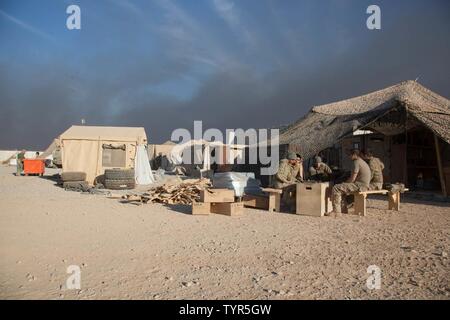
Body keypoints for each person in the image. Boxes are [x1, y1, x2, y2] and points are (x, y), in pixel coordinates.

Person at [328, 149, 371, 216]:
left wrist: (344, 183)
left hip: (360, 186)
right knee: (343, 188)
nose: (349, 157)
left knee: (336, 188)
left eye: (350, 155)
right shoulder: (362, 161)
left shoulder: (356, 162)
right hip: (363, 185)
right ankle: (343, 209)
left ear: (354, 155)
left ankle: (336, 211)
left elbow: (352, 179)